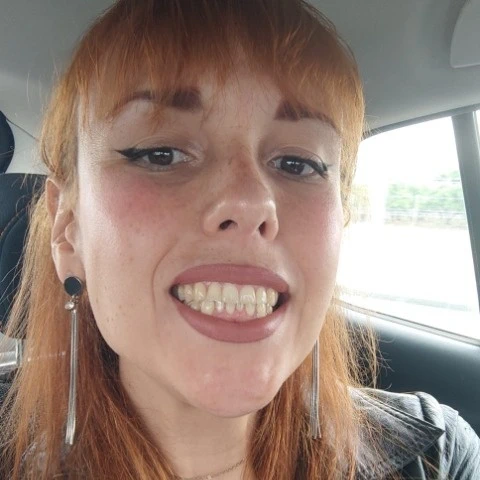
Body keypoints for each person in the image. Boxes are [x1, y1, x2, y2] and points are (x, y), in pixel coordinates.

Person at [0, 0, 479, 478]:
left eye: (298, 164)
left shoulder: (438, 458)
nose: (251, 202)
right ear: (68, 232)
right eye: (161, 154)